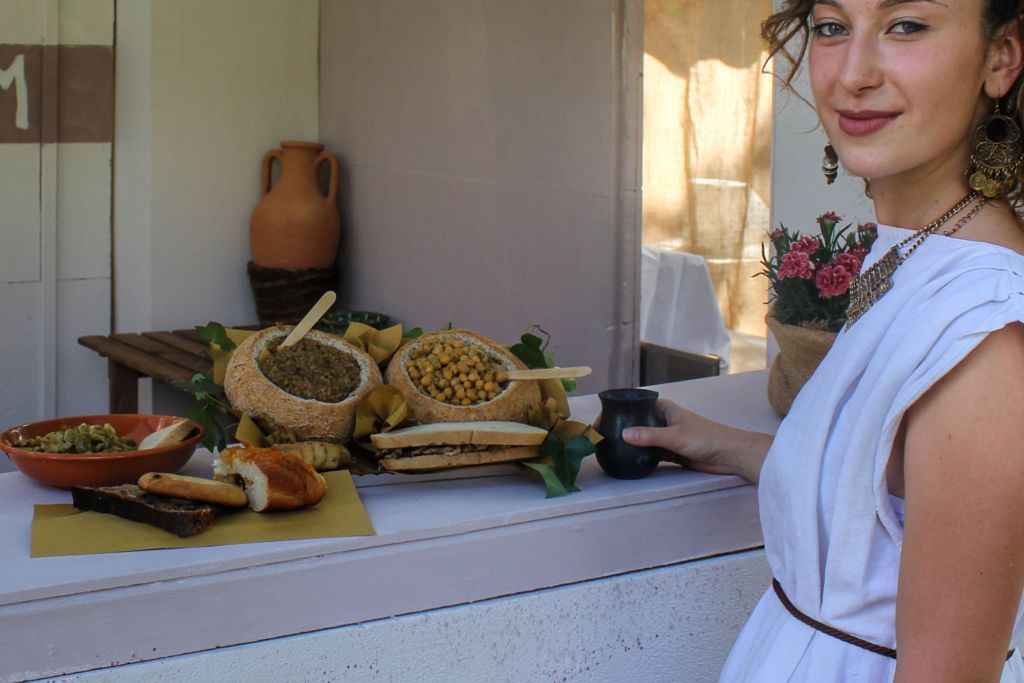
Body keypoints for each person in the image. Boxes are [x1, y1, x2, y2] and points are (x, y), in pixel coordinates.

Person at [620, 1, 1024, 680]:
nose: (853, 75)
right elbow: (885, 497)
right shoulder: (920, 249)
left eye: (906, 25)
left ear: (1000, 58)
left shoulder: (985, 338)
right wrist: (731, 446)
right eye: (834, 26)